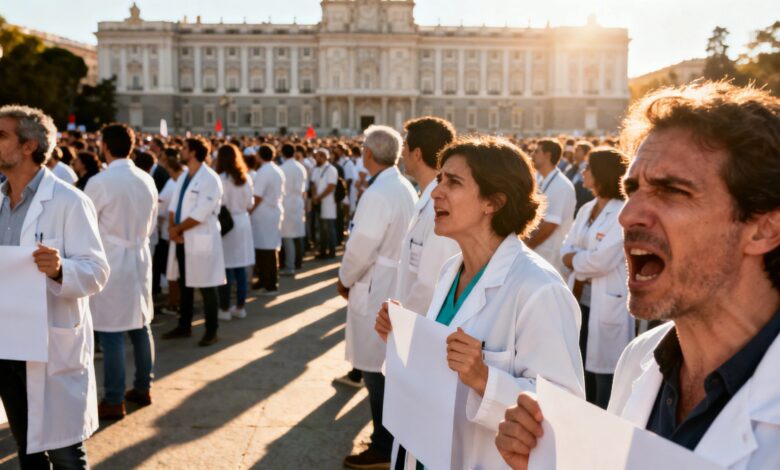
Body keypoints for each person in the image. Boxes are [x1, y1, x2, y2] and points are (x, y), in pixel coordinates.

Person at [496, 81, 780, 470]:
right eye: (632, 191)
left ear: (763, 229)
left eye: (672, 191)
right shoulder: (639, 361)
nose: (628, 217)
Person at [374, 136, 584, 469]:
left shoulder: (539, 289)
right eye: (439, 179)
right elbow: (440, 371)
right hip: (424, 452)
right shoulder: (451, 270)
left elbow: (564, 414)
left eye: (453, 182)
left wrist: (485, 378)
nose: (435, 192)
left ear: (493, 201)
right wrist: (403, 342)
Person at [0, 105, 109, 468]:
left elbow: (96, 270)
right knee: (25, 447)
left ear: (29, 145)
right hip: (7, 345)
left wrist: (62, 270)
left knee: (64, 454)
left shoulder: (69, 201)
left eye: (2, 136)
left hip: (50, 343)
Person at [337, 125, 418, 469]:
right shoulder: (401, 186)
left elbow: (360, 247)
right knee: (381, 368)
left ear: (368, 154)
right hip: (388, 280)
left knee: (374, 371)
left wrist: (345, 278)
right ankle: (389, 441)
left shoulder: (378, 192)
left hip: (373, 283)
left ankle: (383, 445)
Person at [84, 123, 158, 420]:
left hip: (112, 258)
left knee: (113, 331)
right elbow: (152, 221)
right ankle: (144, 386)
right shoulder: (146, 179)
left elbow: (87, 224)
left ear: (105, 147)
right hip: (139, 255)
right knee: (140, 324)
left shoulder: (100, 182)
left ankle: (114, 399)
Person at [559, 147, 634, 409]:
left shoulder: (622, 213)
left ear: (602, 174)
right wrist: (579, 258)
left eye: (589, 168)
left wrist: (575, 260)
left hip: (606, 300)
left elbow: (603, 261)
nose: (583, 172)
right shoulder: (586, 209)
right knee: (579, 364)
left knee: (604, 376)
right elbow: (564, 249)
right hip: (580, 298)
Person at [162, 137, 226, 347]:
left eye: (184, 148)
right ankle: (184, 325)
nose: (181, 151)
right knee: (184, 283)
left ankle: (211, 330)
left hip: (199, 237)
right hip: (182, 238)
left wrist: (177, 229)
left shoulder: (210, 178)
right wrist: (173, 228)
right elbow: (174, 205)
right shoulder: (184, 176)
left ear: (194, 152)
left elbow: (201, 213)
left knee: (207, 285)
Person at [394, 116, 460, 315]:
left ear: (417, 153)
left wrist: (400, 321)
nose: (401, 153)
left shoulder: (439, 207)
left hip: (417, 327)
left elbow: (430, 284)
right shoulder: (427, 200)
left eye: (404, 146)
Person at [525, 138, 576, 274]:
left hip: (551, 254)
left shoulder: (562, 185)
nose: (532, 155)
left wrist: (526, 246)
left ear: (547, 155)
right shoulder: (539, 179)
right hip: (539, 252)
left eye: (536, 151)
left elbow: (550, 225)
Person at [216, 143, 255, 320]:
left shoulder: (221, 179)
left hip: (227, 223)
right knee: (240, 268)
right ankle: (240, 306)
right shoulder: (245, 178)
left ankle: (224, 308)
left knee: (226, 269)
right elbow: (250, 204)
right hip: (242, 222)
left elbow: (218, 204)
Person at [250, 143, 285, 294]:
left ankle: (270, 282)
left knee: (266, 250)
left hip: (264, 213)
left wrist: (249, 211)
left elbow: (257, 196)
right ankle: (265, 280)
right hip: (272, 211)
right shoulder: (276, 169)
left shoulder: (264, 171)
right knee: (268, 248)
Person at [156, 148, 185, 315]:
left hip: (173, 231)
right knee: (176, 270)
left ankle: (175, 302)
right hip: (175, 230)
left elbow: (162, 207)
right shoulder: (183, 179)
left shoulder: (173, 183)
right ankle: (177, 301)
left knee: (173, 271)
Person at [279, 143, 307, 275]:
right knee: (297, 235)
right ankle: (298, 262)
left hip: (287, 202)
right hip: (298, 201)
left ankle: (290, 265)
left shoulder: (283, 168)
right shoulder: (300, 167)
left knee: (288, 236)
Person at [311, 148, 338, 259]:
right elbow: (313, 183)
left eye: (319, 156)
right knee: (321, 228)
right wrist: (314, 196)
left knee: (329, 228)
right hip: (318, 202)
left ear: (325, 157)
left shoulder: (331, 169)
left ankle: (331, 251)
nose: (317, 158)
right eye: (317, 156)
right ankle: (322, 251)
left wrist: (319, 197)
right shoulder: (316, 169)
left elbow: (331, 186)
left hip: (327, 203)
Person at [564, 141, 595, 213]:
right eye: (574, 150)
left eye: (577, 150)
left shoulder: (590, 170)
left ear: (587, 153)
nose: (574, 152)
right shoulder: (570, 168)